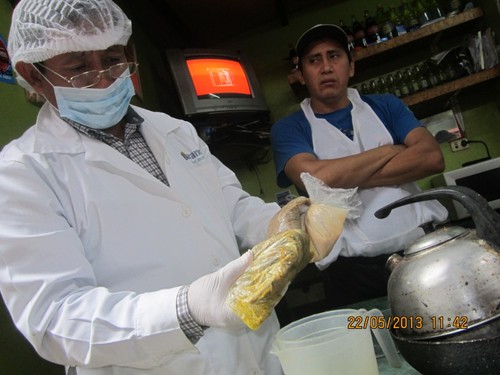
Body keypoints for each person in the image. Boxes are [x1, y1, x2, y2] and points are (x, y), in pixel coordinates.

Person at [0, 1, 284, 374]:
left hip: (256, 355)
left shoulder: (175, 130)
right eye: (79, 69)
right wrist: (187, 309)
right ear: (34, 76)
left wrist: (286, 223)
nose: (103, 79)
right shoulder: (22, 173)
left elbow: (229, 206)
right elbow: (55, 318)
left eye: (113, 59)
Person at [271, 24, 448, 307]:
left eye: (334, 56)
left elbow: (431, 157)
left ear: (350, 67)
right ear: (301, 75)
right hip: (353, 274)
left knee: (445, 328)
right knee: (369, 344)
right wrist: (392, 150)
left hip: (424, 253)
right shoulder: (290, 129)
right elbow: (316, 180)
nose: (326, 67)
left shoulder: (385, 106)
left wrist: (341, 176)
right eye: (314, 60)